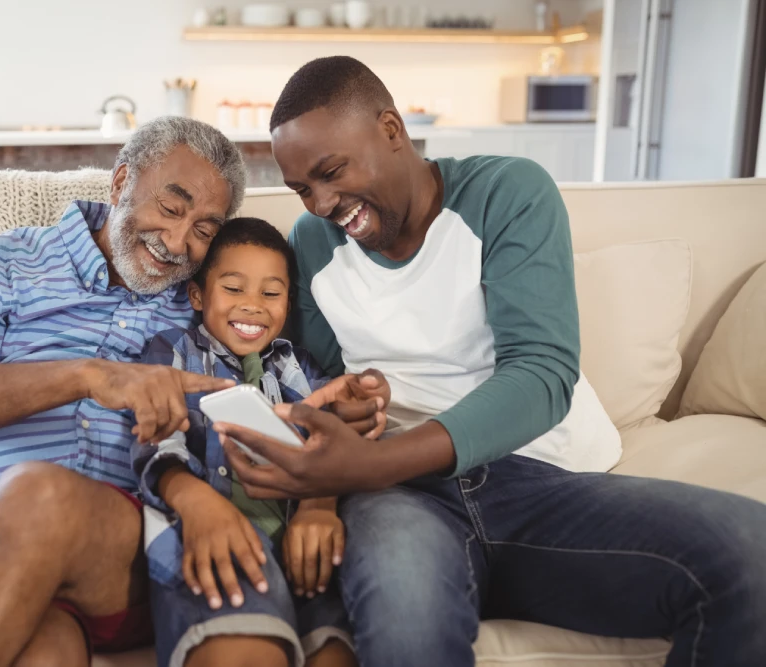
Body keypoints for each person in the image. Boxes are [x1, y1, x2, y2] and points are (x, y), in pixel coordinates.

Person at [214, 56, 766, 667]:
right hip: (403, 502)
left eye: (331, 172)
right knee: (408, 631)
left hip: (546, 482)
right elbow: (322, 383)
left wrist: (368, 465)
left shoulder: (507, 192)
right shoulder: (313, 246)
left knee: (752, 554)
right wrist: (347, 423)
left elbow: (541, 374)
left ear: (391, 129)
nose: (320, 204)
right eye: (301, 190)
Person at [0, 118, 251, 667]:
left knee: (40, 496)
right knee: (47, 650)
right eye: (171, 209)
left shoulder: (204, 303)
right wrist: (87, 375)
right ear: (121, 183)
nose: (177, 243)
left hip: (124, 554)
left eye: (204, 229)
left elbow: (267, 389)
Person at [133, 217, 380, 667]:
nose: (253, 307)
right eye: (233, 289)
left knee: (335, 649)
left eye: (270, 293)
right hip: (214, 538)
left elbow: (338, 429)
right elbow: (156, 442)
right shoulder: (171, 353)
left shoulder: (297, 365)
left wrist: (361, 394)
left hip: (304, 549)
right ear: (197, 296)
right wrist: (191, 500)